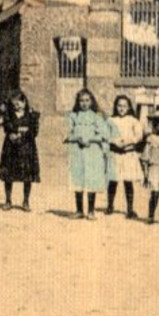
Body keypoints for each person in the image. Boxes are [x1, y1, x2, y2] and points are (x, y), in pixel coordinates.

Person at [64, 88, 112, 220]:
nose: (84, 103)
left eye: (87, 100)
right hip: (77, 151)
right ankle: (79, 210)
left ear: (92, 101)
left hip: (92, 151)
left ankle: (91, 211)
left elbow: (105, 134)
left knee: (91, 178)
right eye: (81, 101)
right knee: (77, 178)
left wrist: (90, 139)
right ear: (77, 102)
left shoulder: (97, 116)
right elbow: (67, 134)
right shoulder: (73, 116)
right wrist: (77, 138)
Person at [0, 91, 42, 211]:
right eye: (14, 104)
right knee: (8, 174)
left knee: (27, 175)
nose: (18, 106)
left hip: (27, 147)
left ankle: (26, 201)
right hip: (11, 147)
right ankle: (8, 200)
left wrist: (22, 133)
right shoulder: (8, 115)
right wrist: (14, 133)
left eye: (20, 102)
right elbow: (7, 128)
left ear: (25, 102)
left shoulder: (32, 115)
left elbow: (34, 131)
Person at [105, 94, 146, 219]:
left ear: (129, 107)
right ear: (115, 107)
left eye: (124, 106)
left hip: (128, 154)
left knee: (128, 182)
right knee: (113, 181)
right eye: (119, 106)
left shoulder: (133, 121)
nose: (121, 108)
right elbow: (105, 134)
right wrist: (114, 141)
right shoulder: (111, 120)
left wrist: (129, 141)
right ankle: (110, 205)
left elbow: (139, 136)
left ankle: (130, 209)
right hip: (115, 154)